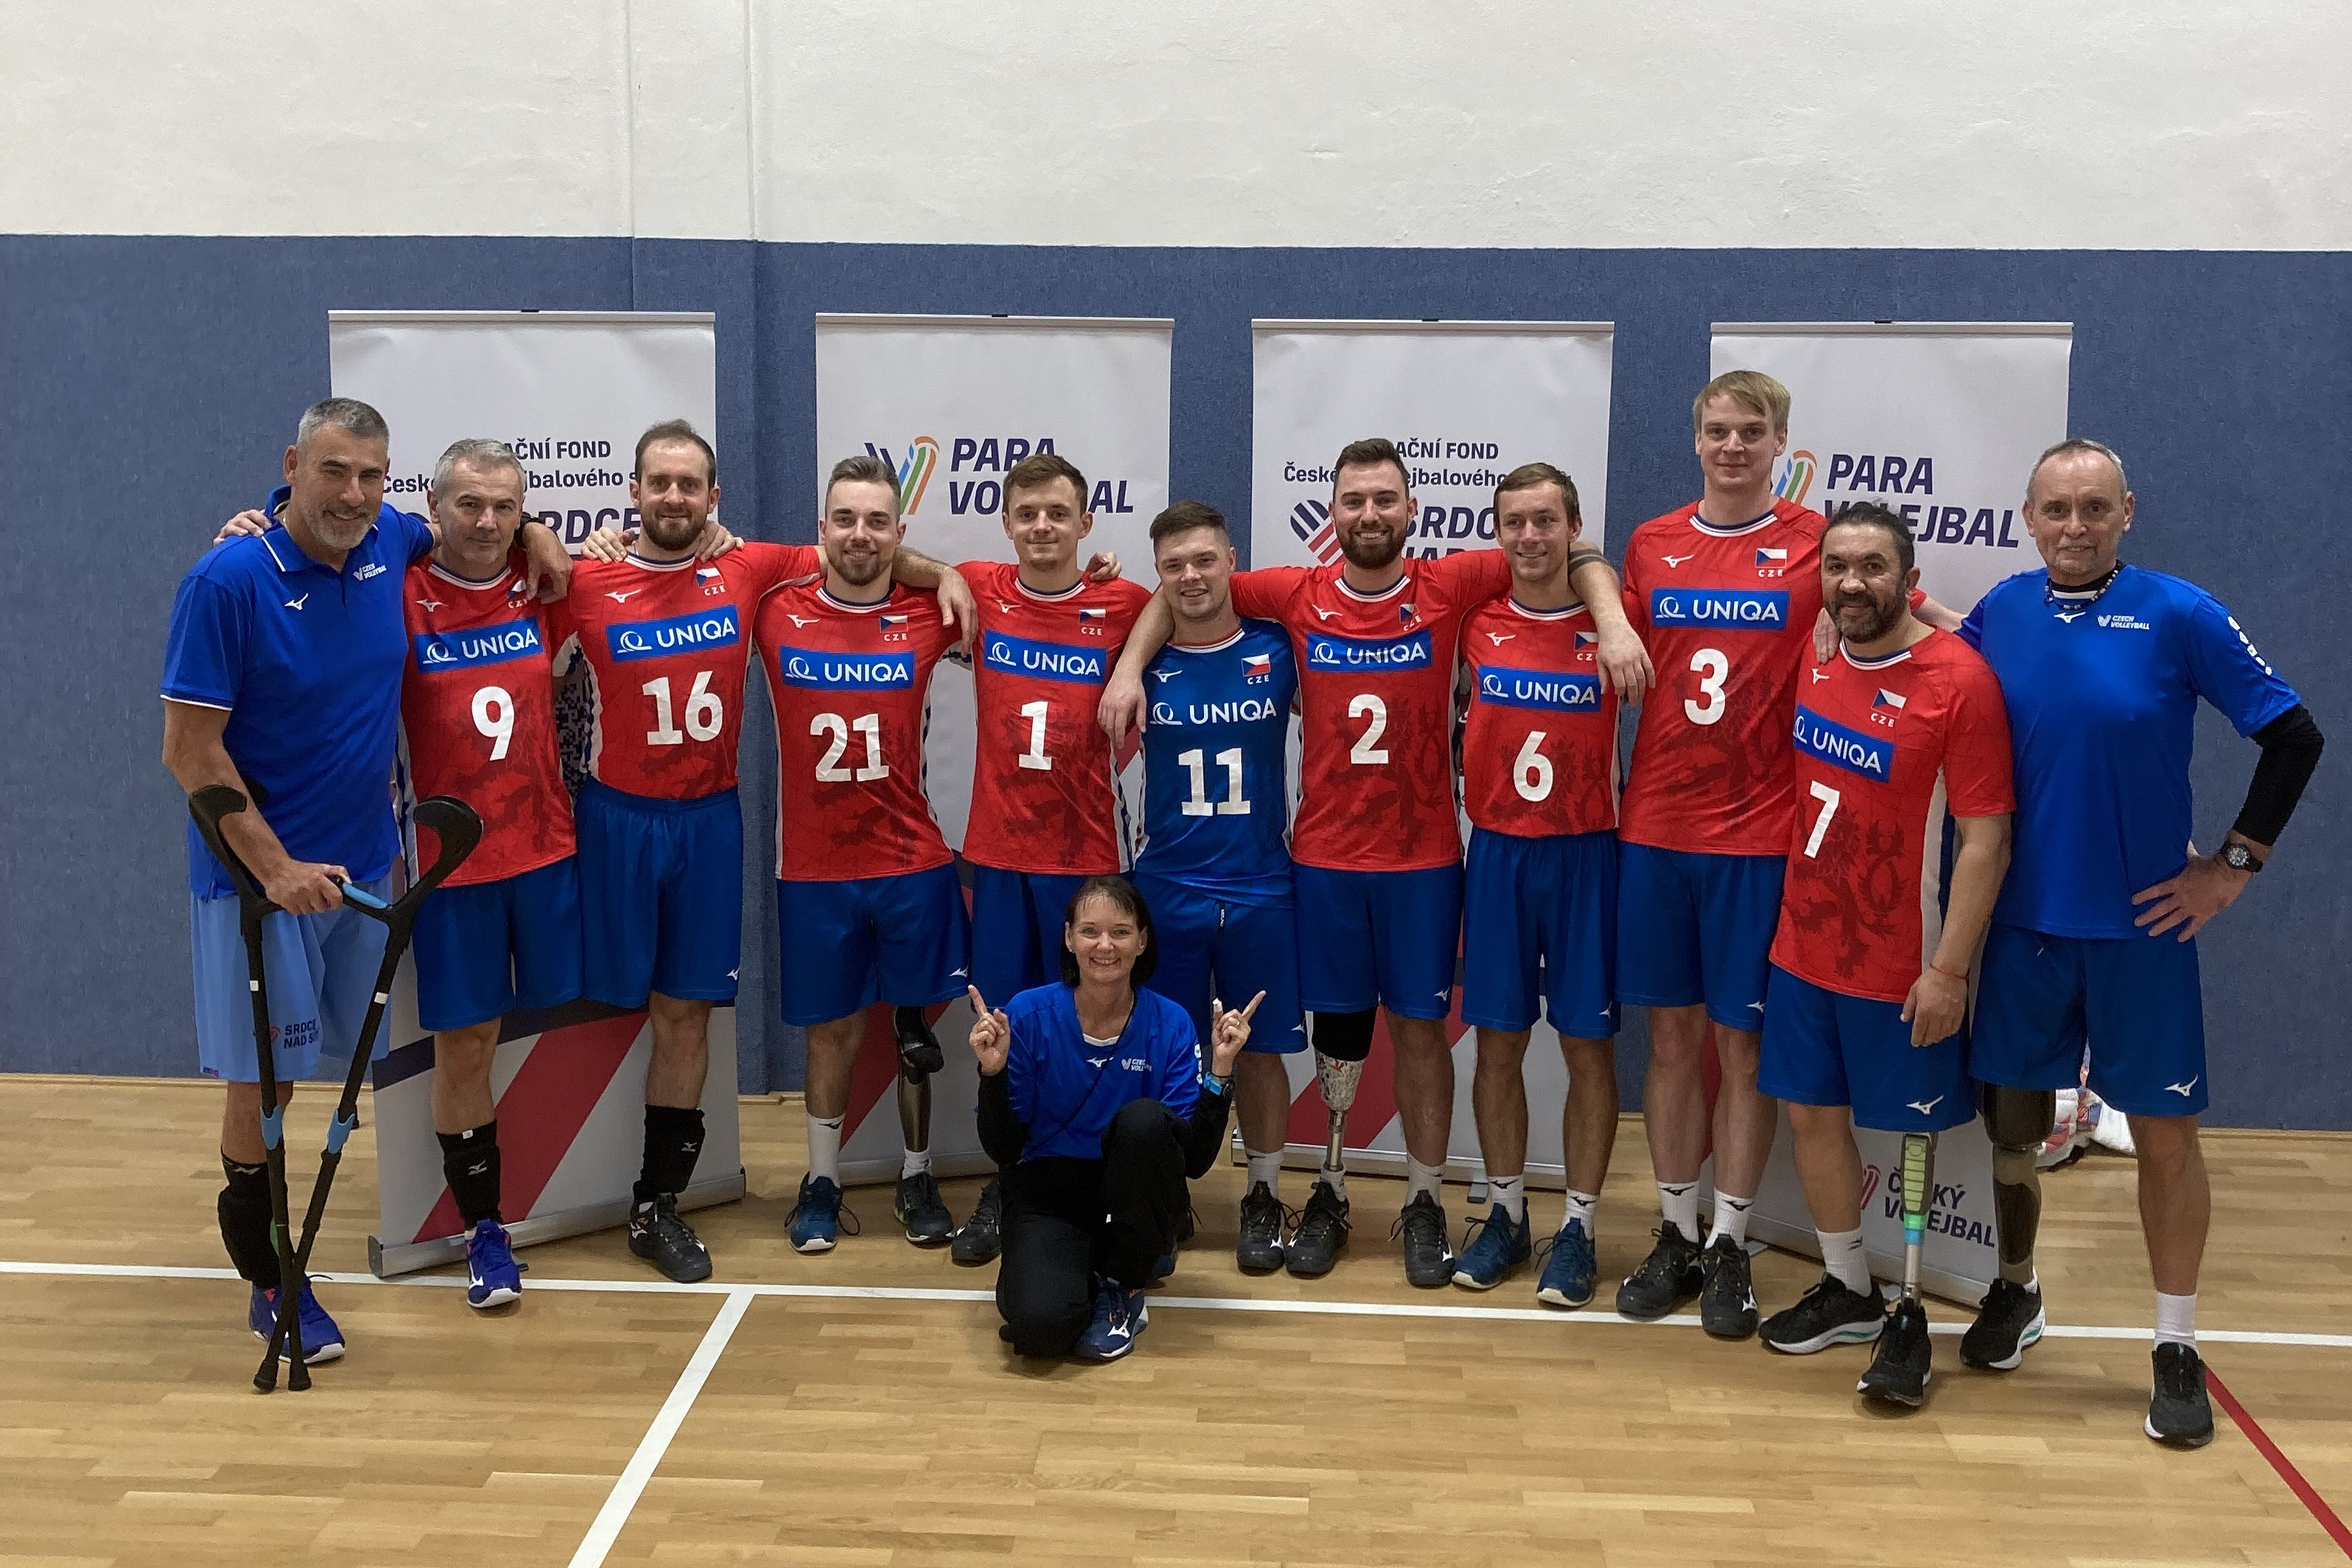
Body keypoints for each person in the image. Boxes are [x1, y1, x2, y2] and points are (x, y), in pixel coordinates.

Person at [1104, 438, 1646, 1286]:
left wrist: (1611, 620)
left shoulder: (1451, 585)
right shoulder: (1295, 592)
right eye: (1353, 501)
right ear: (1332, 515)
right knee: (1340, 1036)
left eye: (1384, 500)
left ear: (1411, 510)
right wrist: (1130, 669)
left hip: (1424, 860)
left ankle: (1425, 1200)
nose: (1369, 515)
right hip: (1324, 858)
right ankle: (1330, 1187)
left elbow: (1574, 554)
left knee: (1421, 1032)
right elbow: (1182, 592)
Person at [163, 399, 571, 1363]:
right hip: (261, 885)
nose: (353, 495)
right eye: (334, 471)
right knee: (265, 1088)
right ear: (292, 465)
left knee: (338, 1076)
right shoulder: (226, 580)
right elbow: (189, 752)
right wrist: (276, 869)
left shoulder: (391, 538)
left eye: (371, 475)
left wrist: (541, 533)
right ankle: (272, 1283)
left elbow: (476, 524)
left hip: (363, 875)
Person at [1958, 439, 2322, 1447]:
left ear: (2128, 512)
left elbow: (2294, 737)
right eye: (2056, 509)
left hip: (2143, 931)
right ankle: (2016, 1289)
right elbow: (1932, 669)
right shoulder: (2001, 611)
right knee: (2012, 1130)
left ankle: (2175, 1344)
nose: (2074, 526)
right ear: (2029, 518)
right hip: (2021, 927)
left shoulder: (2181, 613)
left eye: (2094, 508)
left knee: (2165, 1139)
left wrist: (2232, 868)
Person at [554, 421, 971, 1282]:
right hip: (620, 819)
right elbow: (489, 579)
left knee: (689, 1016)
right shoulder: (590, 577)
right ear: (632, 491)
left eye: (690, 485)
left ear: (715, 498)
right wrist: (534, 531)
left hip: (716, 822)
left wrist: (949, 572)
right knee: (606, 1008)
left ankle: (657, 1203)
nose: (674, 497)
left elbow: (870, 558)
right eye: (659, 482)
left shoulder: (752, 570)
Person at [1612, 371, 1953, 1336]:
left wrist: (1986, 646)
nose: (1733, 445)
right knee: (1671, 1042)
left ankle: (1730, 1238)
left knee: (1741, 1046)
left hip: (1762, 837)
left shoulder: (1816, 545)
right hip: (1655, 829)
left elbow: (1912, 620)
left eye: (1751, 431)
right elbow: (1604, 599)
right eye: (1718, 430)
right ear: (1696, 441)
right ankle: (1675, 1229)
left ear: (1780, 442)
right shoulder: (1653, 541)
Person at [1752, 504, 2014, 1409]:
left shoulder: (1959, 682)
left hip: (1903, 965)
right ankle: (1850, 1286)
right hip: (1803, 946)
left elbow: (1986, 842)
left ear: (1909, 579)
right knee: (1811, 1116)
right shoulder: (1817, 652)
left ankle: (1909, 1310)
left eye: (1872, 566)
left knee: (1911, 1137)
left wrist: (1949, 970)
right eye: (1837, 566)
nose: (1852, 582)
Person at [754, 455, 969, 1252]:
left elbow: (1037, 598)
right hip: (814, 869)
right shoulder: (773, 609)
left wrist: (944, 572)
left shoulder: (933, 614)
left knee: (915, 1035)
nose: (860, 535)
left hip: (912, 859)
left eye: (877, 521)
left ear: (898, 533)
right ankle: (822, 1181)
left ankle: (917, 1174)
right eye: (845, 519)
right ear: (821, 530)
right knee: (831, 1033)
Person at [397, 439, 588, 1309]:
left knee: (570, 1019)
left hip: (546, 853)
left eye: (505, 507)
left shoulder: (544, 583)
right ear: (434, 508)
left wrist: (542, 534)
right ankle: (485, 1231)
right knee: (466, 1046)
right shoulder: (399, 594)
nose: (485, 522)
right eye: (468, 504)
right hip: (453, 873)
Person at [948, 453, 1152, 1266]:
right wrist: (941, 572)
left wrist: (1128, 663)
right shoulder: (979, 586)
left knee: (1088, 1025)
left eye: (1057, 514)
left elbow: (1173, 605)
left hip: (1087, 857)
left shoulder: (1121, 600)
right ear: (1005, 523)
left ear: (1085, 522)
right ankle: (1009, 1181)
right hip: (999, 854)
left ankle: (1096, 1183)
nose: (1042, 527)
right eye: (1027, 513)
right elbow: (897, 566)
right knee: (1003, 1026)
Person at [1448, 464, 1623, 1306]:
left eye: (1545, 520)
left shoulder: (1612, 619)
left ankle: (1580, 1226)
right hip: (1499, 852)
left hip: (1589, 852)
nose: (1529, 536)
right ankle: (1507, 1213)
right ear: (1497, 531)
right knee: (1498, 1044)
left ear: (1573, 527)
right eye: (1513, 521)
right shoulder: (1474, 622)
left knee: (1588, 1048)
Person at [970, 877, 1256, 1361]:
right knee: (1039, 1329)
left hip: (1131, 1192)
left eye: (1121, 932)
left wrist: (1222, 1071)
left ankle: (1127, 1280)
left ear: (1142, 940)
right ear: (1069, 938)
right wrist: (992, 1074)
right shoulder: (1027, 1014)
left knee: (1145, 1122)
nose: (1105, 946)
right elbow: (1004, 1149)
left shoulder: (1172, 1023)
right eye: (1090, 931)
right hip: (1049, 1192)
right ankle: (1087, 1268)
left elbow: (1193, 1160)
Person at [1128, 501, 1306, 1273]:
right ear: (1158, 576)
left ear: (1232, 560)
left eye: (1204, 560)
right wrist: (1128, 667)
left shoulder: (1278, 645)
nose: (1191, 576)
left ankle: (1262, 1193)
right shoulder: (1142, 657)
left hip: (1261, 883)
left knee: (1259, 1052)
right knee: (1164, 1046)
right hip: (1166, 882)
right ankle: (1166, 1190)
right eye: (1173, 566)